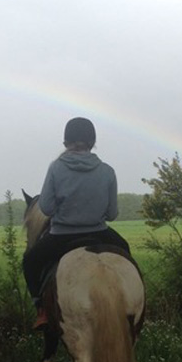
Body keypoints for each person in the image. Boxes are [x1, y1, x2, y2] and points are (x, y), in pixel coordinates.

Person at [23, 117, 131, 329]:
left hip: (61, 236)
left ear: (66, 142)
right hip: (100, 233)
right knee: (125, 250)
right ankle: (128, 305)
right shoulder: (108, 171)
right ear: (92, 142)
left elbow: (46, 208)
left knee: (30, 261)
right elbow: (112, 214)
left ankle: (42, 310)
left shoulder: (55, 168)